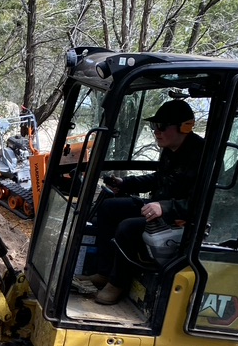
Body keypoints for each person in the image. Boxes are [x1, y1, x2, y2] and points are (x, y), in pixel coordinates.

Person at [85, 99, 204, 305]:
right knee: (107, 208)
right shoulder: (169, 150)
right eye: (154, 126)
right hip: (156, 209)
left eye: (162, 126)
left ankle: (117, 284)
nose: (156, 131)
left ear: (184, 127)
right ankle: (103, 272)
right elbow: (158, 179)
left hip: (180, 221)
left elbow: (202, 202)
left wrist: (164, 207)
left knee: (127, 227)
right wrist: (125, 184)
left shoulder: (204, 157)